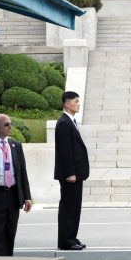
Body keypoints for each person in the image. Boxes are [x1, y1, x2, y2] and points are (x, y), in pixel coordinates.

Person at [0, 114, 32, 256]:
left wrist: (27, 197)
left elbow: (22, 172)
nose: (10, 127)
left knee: (10, 233)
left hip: (13, 195)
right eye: (6, 124)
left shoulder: (16, 146)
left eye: (10, 124)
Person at [55, 91, 90, 251]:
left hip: (77, 173)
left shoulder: (71, 122)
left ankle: (71, 237)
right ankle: (65, 240)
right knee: (68, 207)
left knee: (75, 207)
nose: (78, 104)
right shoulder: (63, 123)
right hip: (70, 175)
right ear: (67, 104)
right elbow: (65, 151)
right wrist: (70, 173)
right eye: (75, 101)